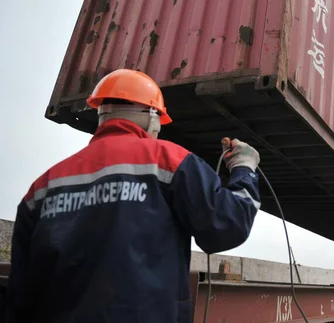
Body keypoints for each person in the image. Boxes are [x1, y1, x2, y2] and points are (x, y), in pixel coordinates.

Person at [6, 69, 261, 323]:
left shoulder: (43, 186)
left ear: (102, 114)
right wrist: (244, 169)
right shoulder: (170, 161)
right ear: (152, 118)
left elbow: (20, 294)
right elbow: (228, 225)